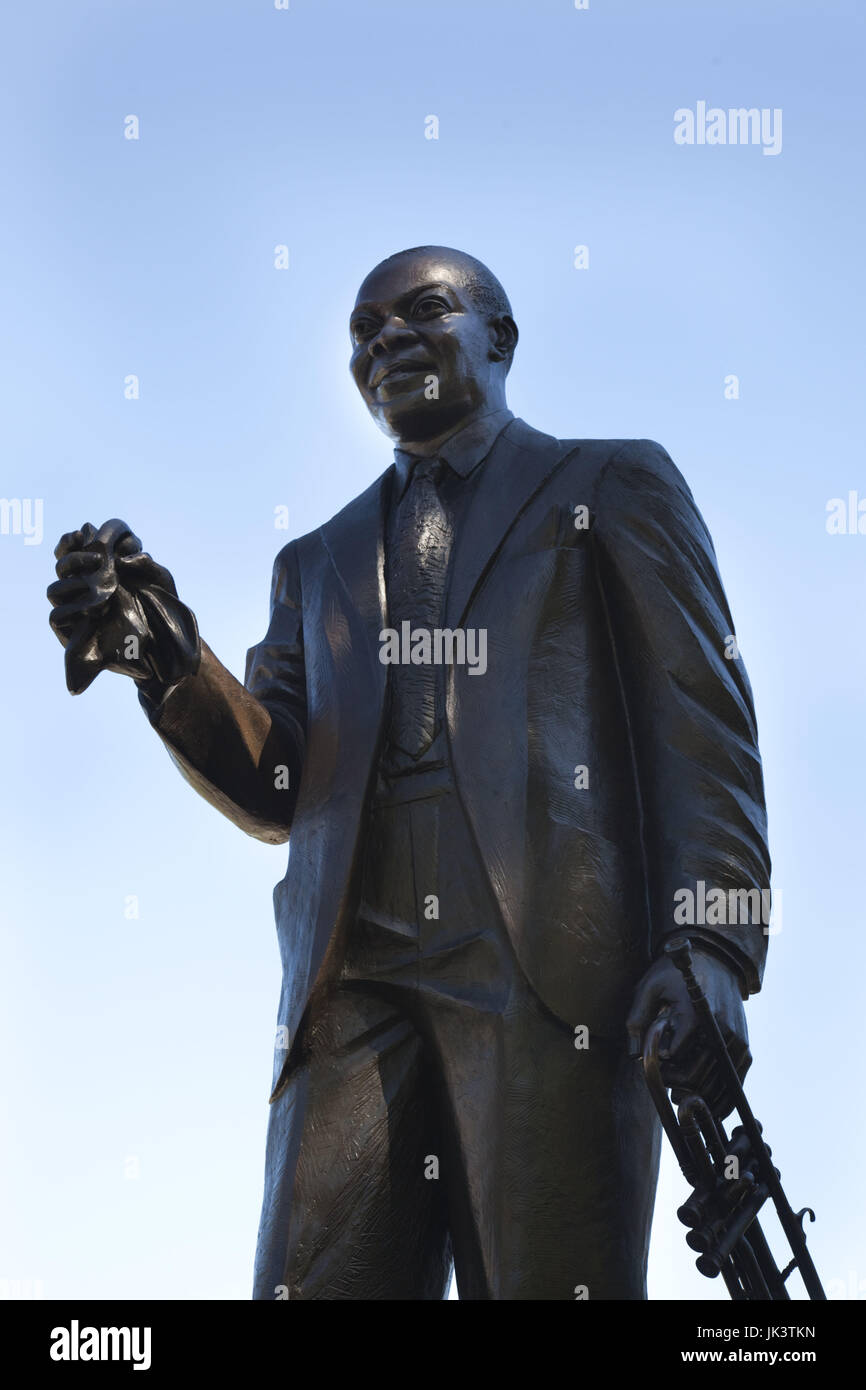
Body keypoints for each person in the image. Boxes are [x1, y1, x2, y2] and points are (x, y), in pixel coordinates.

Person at [48, 245, 770, 1300]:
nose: (381, 338)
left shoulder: (609, 485)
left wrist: (709, 943)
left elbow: (699, 725)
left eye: (418, 311)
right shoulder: (316, 562)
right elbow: (277, 784)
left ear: (498, 337)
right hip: (352, 976)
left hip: (547, 966)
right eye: (360, 331)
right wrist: (162, 652)